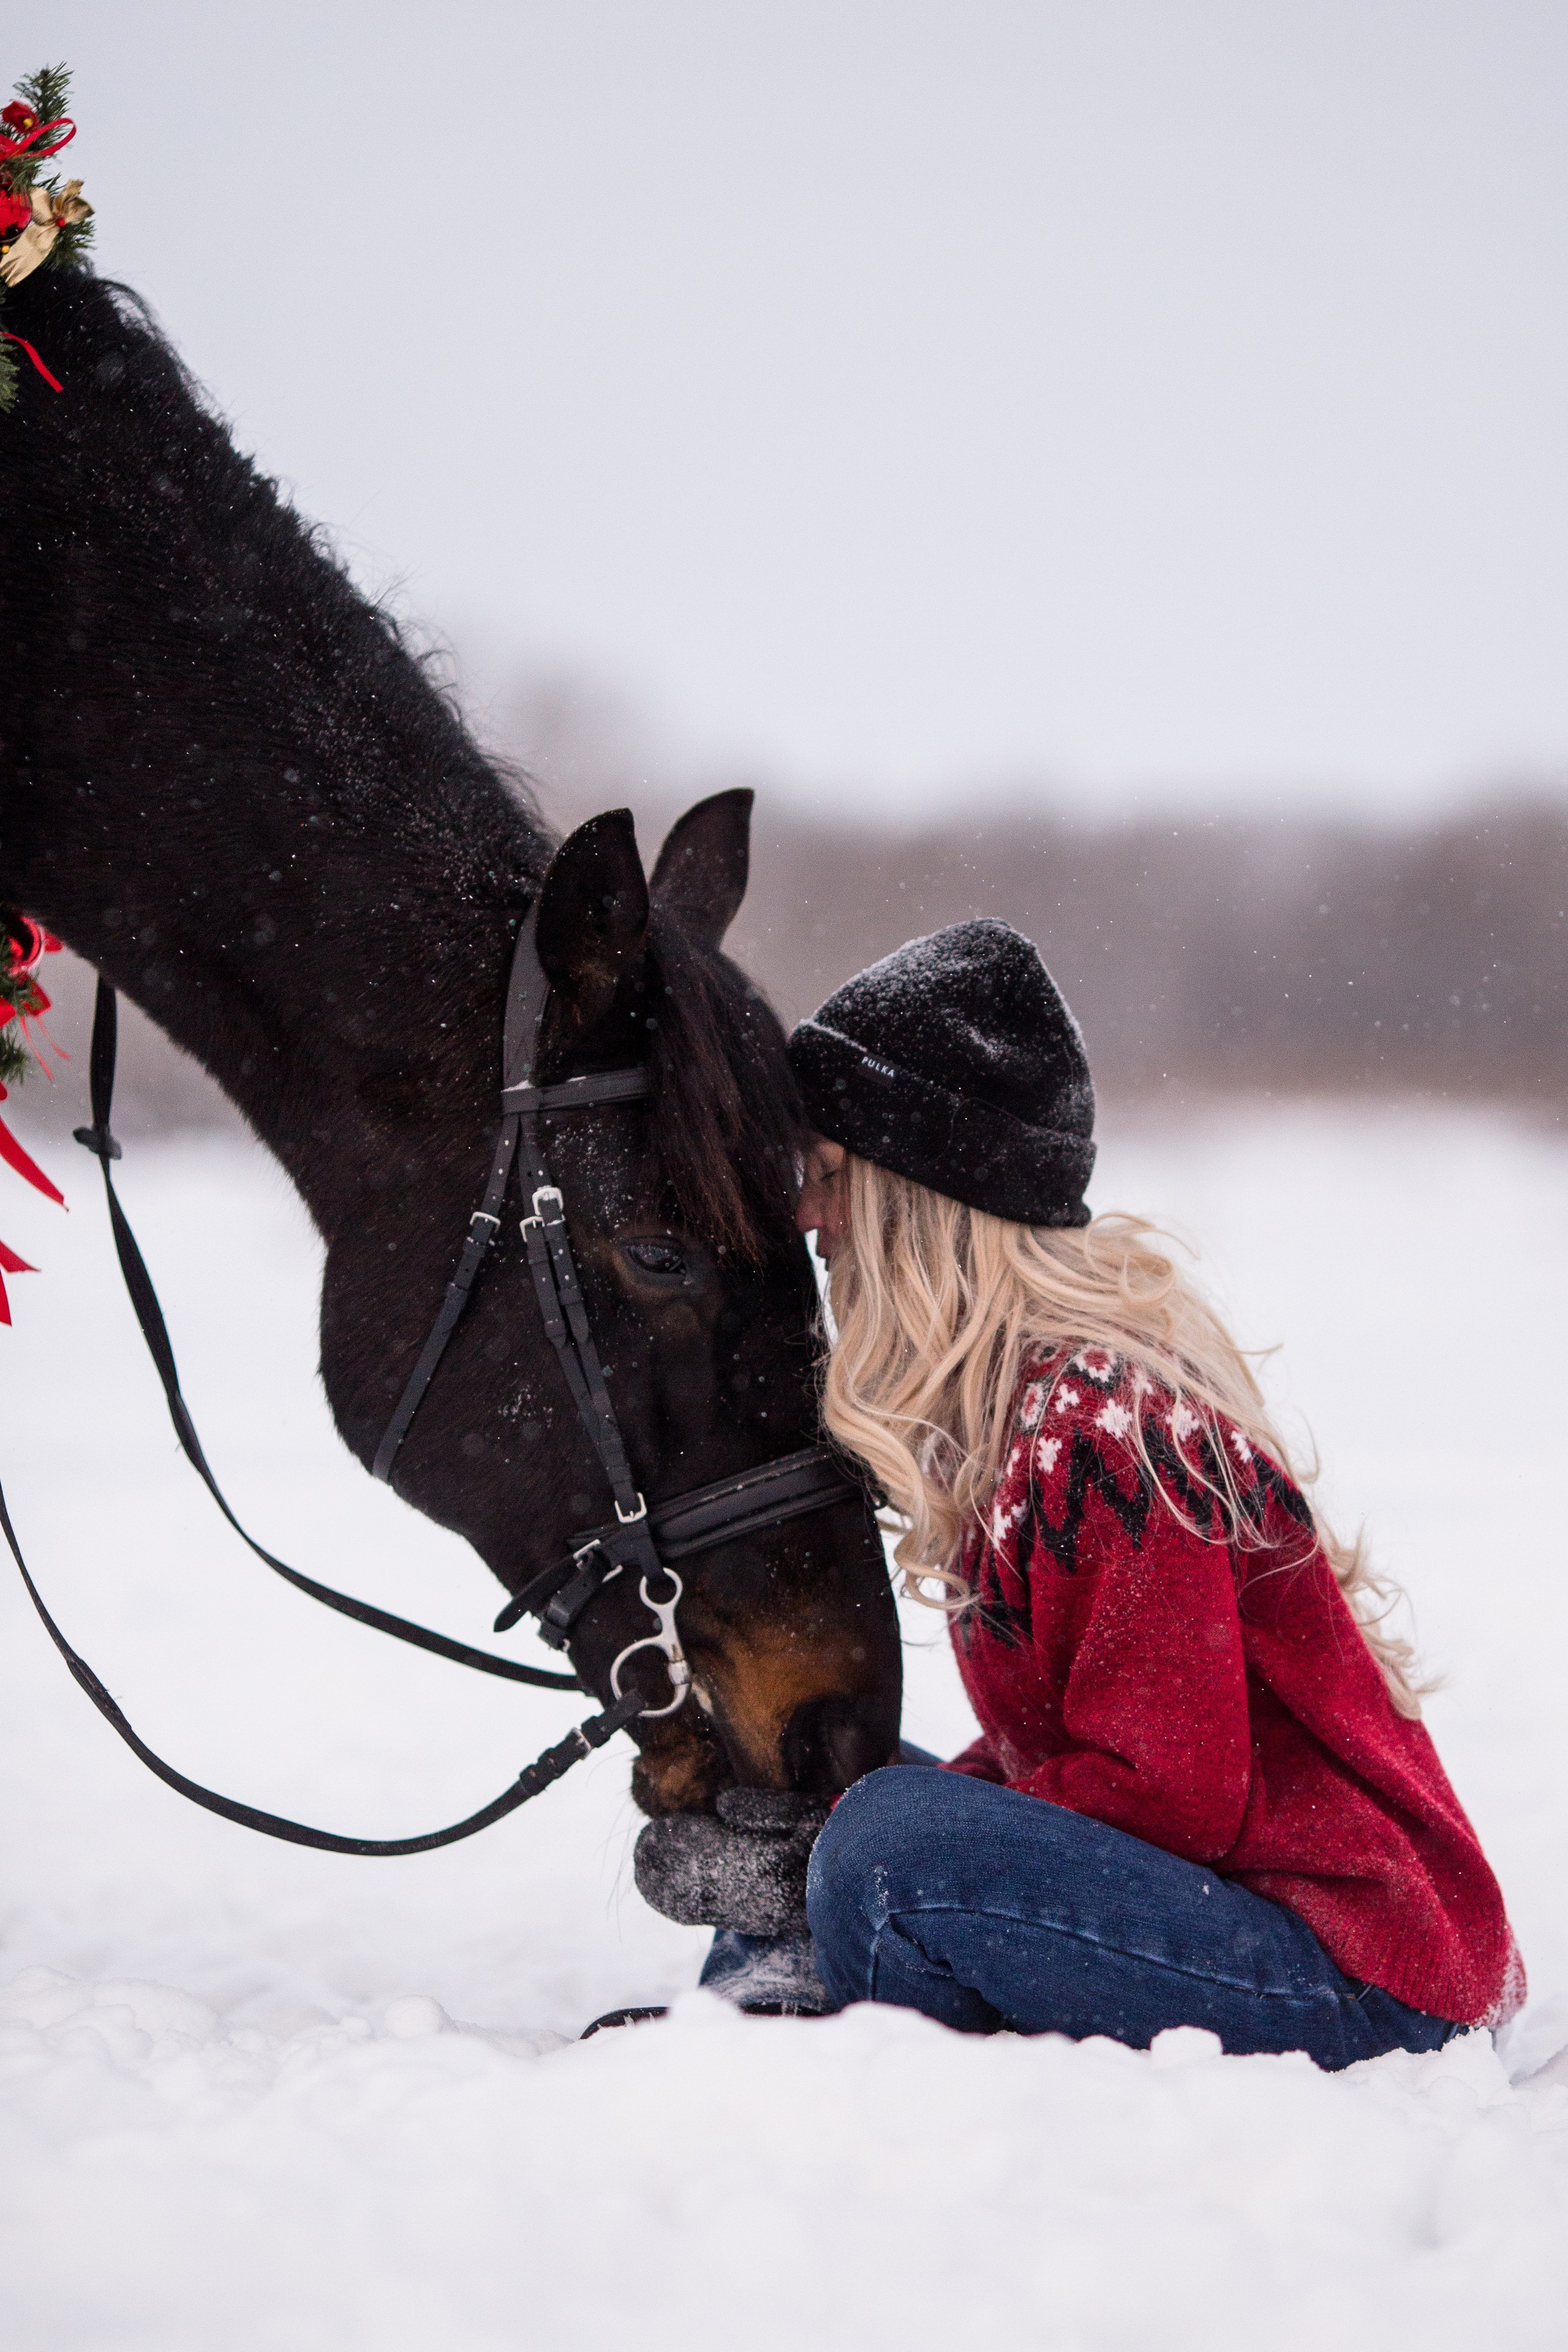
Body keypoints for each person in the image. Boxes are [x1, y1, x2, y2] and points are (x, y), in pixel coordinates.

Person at [631, 919, 1522, 2066]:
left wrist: (825, 1858)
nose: (807, 1217)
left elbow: (1169, 1794)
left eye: (831, 1174)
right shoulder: (1019, 1414)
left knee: (884, 1847)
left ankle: (821, 2044)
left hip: (1359, 1977)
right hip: (1244, 1913)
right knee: (829, 1780)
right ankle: (767, 2009)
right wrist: (815, 1824)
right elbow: (1060, 1766)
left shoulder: (1107, 1432)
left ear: (921, 1198)